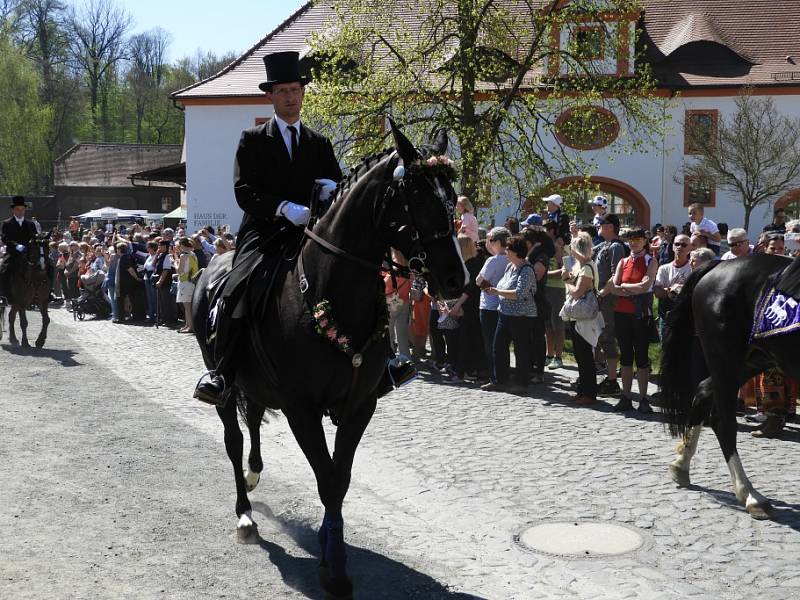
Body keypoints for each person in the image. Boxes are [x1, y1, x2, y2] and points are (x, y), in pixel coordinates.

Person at [194, 51, 344, 405]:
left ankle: (380, 362)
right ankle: (223, 371)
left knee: (353, 274)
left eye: (295, 89)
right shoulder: (253, 139)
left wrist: (329, 192)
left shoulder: (318, 143)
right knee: (238, 286)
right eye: (282, 91)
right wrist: (282, 207)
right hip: (264, 232)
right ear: (271, 96)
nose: (290, 97)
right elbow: (244, 190)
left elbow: (336, 183)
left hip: (310, 231)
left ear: (303, 93)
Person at [607, 228, 658, 413]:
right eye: (630, 239)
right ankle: (626, 396)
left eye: (637, 239)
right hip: (622, 313)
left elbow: (645, 286)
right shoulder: (623, 261)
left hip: (640, 315)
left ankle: (643, 399)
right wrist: (629, 289)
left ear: (645, 241)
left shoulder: (651, 261)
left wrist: (624, 287)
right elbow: (613, 287)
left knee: (642, 358)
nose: (634, 242)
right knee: (626, 357)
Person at [481, 235, 537, 395]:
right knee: (498, 347)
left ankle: (521, 383)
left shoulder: (526, 269)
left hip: (521, 317)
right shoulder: (509, 267)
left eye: (509, 249)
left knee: (521, 350)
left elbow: (520, 293)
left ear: (516, 252)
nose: (506, 251)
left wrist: (498, 291)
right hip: (504, 314)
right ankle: (500, 380)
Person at [562, 232, 601, 405]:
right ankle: (582, 390)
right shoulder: (582, 266)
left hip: (584, 318)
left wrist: (566, 281)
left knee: (585, 356)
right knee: (580, 355)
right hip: (578, 317)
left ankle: (589, 393)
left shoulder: (587, 268)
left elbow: (577, 292)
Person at [594, 214, 627, 396]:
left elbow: (616, 276)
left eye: (602, 223)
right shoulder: (603, 245)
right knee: (600, 337)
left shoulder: (616, 247)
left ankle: (613, 381)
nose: (599, 225)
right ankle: (606, 376)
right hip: (600, 298)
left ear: (611, 226)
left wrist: (601, 294)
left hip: (608, 300)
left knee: (607, 337)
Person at [0, 196, 40, 304]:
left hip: (28, 254)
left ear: (25, 210)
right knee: (3, 269)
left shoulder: (30, 224)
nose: (20, 212)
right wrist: (16, 245)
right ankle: (3, 295)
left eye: (22, 209)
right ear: (13, 210)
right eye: (18, 209)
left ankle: (48, 293)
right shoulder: (7, 223)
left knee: (44, 266)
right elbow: (5, 238)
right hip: (13, 253)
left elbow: (34, 237)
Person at [653, 233, 692, 333]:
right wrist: (672, 290)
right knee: (665, 347)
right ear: (673, 246)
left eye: (683, 245)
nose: (679, 247)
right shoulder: (664, 268)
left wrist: (680, 289)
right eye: (677, 244)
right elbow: (657, 292)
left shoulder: (693, 268)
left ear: (690, 248)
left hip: (687, 315)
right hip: (667, 315)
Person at [543, 221, 566, 368]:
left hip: (558, 290)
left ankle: (558, 357)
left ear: (552, 231)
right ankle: (549, 354)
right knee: (547, 326)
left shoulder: (561, 246)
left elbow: (563, 272)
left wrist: (545, 274)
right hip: (545, 289)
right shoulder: (545, 248)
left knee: (558, 325)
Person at [175, 237, 200, 333]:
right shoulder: (193, 254)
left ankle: (190, 327)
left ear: (181, 245)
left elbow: (179, 271)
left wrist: (175, 262)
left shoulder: (184, 256)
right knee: (187, 306)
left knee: (187, 306)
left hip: (185, 282)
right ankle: (187, 325)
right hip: (191, 282)